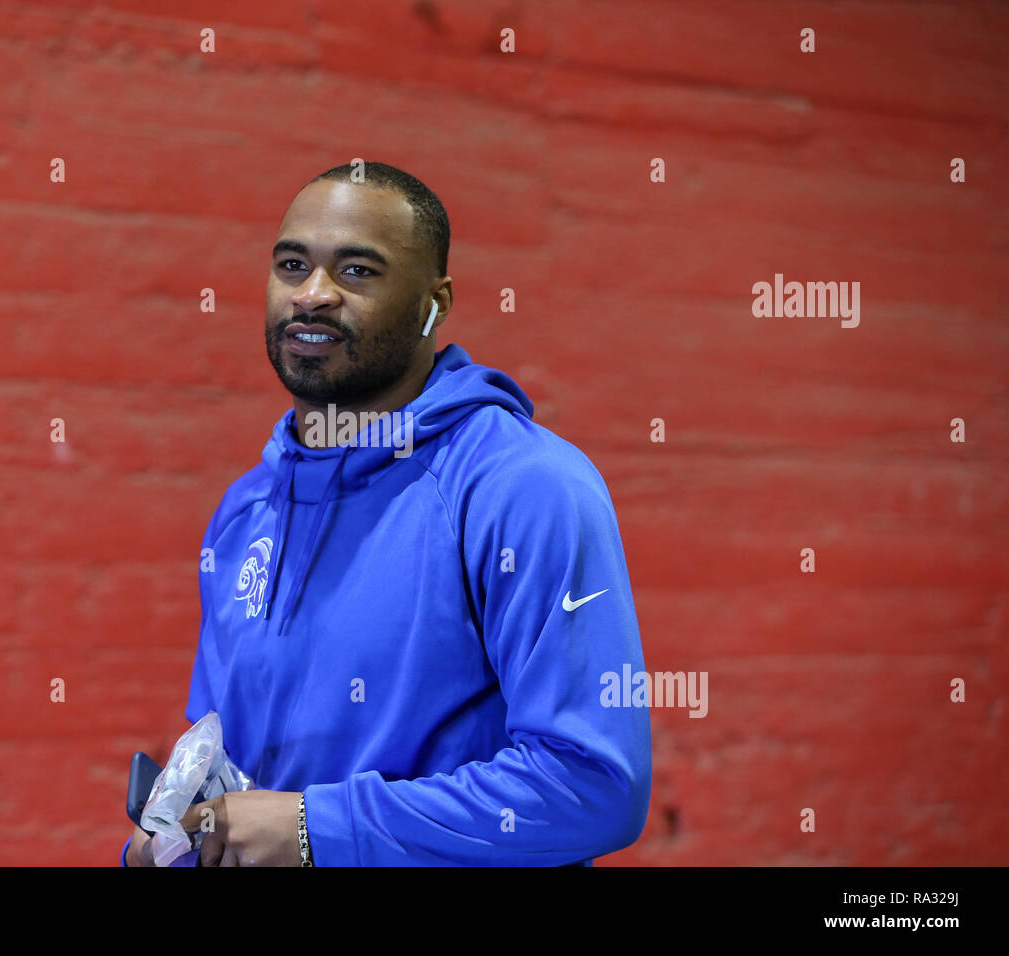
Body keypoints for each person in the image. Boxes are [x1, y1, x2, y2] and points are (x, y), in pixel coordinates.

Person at [123, 162, 651, 866]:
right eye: (292, 265)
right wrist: (183, 840)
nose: (312, 295)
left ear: (434, 303)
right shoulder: (245, 510)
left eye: (357, 272)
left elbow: (594, 787)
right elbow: (240, 777)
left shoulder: (524, 486)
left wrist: (317, 830)